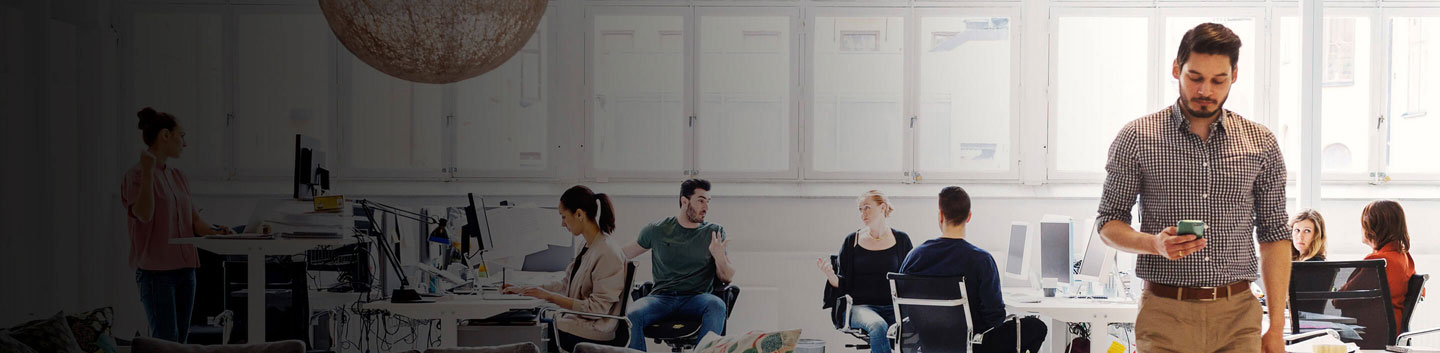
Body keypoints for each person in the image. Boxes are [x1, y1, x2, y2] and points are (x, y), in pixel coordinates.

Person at [1094, 23, 1291, 353]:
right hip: (1165, 314)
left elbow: (1275, 235)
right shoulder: (1137, 138)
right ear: (1176, 69)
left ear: (1235, 75)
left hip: (1238, 315)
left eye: (1218, 80)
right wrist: (1154, 244)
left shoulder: (1261, 143)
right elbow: (1107, 223)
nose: (1206, 91)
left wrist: (1277, 327)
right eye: (1195, 77)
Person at [123, 107, 233, 343]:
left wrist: (217, 232)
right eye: (181, 135)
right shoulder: (136, 176)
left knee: (180, 344)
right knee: (167, 343)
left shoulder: (178, 176)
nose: (185, 142)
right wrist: (148, 171)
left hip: (186, 271)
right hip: (157, 274)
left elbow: (194, 221)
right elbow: (143, 213)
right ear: (165, 135)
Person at [503, 185, 628, 351]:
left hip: (595, 330)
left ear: (579, 214)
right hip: (579, 321)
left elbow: (596, 309)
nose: (563, 224)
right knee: (529, 324)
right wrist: (524, 290)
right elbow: (564, 286)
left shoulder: (607, 252)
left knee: (531, 329)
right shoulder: (587, 245)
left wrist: (550, 297)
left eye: (563, 217)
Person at [622, 179, 735, 350]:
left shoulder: (714, 232)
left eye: (708, 201)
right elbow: (622, 254)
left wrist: (719, 256)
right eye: (700, 200)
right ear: (684, 201)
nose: (706, 207)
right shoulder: (657, 230)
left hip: (697, 298)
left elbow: (727, 277)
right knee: (631, 314)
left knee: (717, 305)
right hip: (662, 298)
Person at [897, 186, 1006, 341]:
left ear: (941, 215)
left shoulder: (915, 256)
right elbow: (995, 316)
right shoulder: (982, 260)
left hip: (927, 342)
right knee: (1035, 326)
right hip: (972, 343)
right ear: (969, 217)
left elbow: (904, 308)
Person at [819, 190, 913, 353]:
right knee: (878, 325)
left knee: (919, 325)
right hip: (860, 307)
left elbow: (909, 278)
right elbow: (844, 285)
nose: (863, 213)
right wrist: (831, 276)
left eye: (867, 208)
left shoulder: (901, 240)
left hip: (893, 307)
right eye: (860, 209)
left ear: (882, 207)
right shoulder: (852, 241)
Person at [1336, 200, 1420, 339]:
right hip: (1392, 331)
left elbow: (1340, 300)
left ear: (1373, 228)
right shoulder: (1404, 257)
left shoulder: (1378, 262)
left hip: (1371, 334)